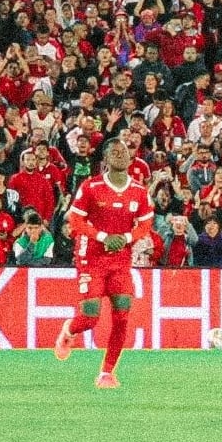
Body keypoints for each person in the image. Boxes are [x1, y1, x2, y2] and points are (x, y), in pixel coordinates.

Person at [53, 139, 154, 389]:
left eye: (124, 151)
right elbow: (75, 220)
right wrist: (103, 237)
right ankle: (69, 330)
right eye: (115, 152)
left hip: (120, 259)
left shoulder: (139, 191)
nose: (121, 155)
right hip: (91, 257)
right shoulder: (91, 186)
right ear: (106, 159)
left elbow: (145, 225)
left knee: (122, 314)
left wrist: (126, 238)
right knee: (90, 317)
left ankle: (107, 373)